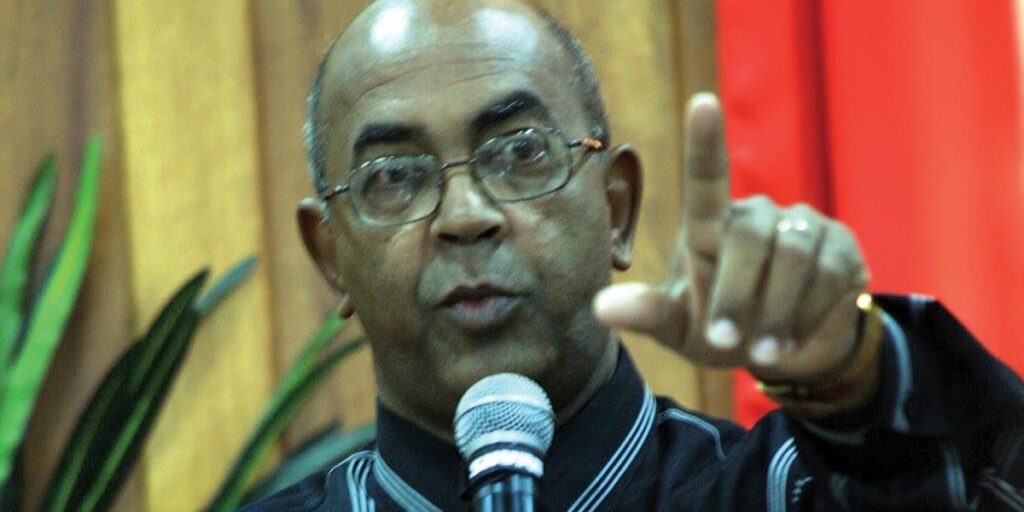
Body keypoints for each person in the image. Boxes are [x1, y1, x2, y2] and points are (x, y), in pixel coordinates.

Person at [241, 0, 1024, 510]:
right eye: (395, 177)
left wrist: (857, 372)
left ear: (617, 209)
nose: (466, 216)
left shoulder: (783, 493)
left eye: (519, 152)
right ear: (331, 255)